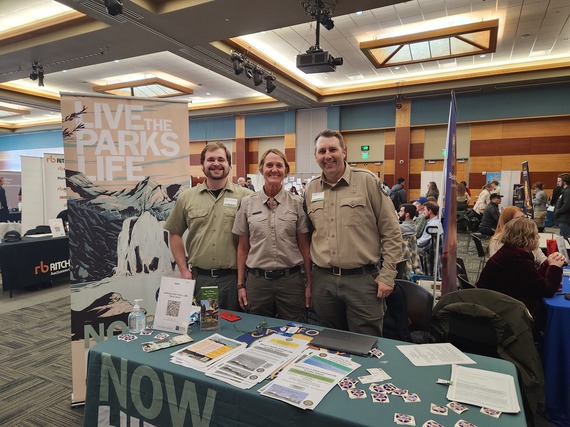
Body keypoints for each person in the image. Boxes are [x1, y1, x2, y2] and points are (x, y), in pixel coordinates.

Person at [305, 129, 403, 336]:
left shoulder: (367, 181)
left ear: (344, 152)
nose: (328, 156)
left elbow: (392, 231)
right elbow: (309, 234)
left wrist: (388, 275)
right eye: (322, 151)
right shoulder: (311, 189)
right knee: (329, 342)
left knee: (365, 342)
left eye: (333, 149)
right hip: (323, 282)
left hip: (362, 281)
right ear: (315, 156)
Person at [164, 142, 251, 311]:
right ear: (202, 165)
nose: (216, 163)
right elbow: (174, 233)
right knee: (207, 326)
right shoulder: (186, 198)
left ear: (229, 165)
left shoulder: (246, 197)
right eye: (210, 159)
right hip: (202, 281)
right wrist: (183, 270)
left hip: (235, 281)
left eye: (221, 159)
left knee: (235, 328)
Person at [232, 149, 311, 322]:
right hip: (258, 283)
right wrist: (240, 285)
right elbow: (243, 247)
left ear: (286, 171)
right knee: (256, 332)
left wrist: (309, 284)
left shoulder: (297, 203)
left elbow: (304, 246)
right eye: (269, 165)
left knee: (294, 333)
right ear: (261, 170)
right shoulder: (247, 204)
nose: (274, 169)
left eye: (279, 165)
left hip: (291, 283)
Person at [477, 217, 564, 333]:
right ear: (528, 238)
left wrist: (547, 263)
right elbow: (547, 290)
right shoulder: (517, 259)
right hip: (506, 315)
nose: (538, 238)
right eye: (536, 235)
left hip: (494, 305)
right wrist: (554, 267)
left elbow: (533, 280)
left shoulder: (510, 252)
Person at [488, 206, 556, 266]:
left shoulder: (527, 237)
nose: (523, 221)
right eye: (518, 218)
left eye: (524, 217)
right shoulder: (498, 241)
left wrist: (552, 261)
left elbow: (541, 258)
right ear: (509, 222)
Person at [554, 173, 570, 240]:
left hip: (565, 219)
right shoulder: (564, 191)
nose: (558, 183)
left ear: (564, 182)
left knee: (567, 238)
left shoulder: (568, 191)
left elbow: (567, 205)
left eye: (559, 181)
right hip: (562, 219)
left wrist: (558, 211)